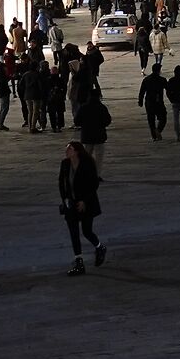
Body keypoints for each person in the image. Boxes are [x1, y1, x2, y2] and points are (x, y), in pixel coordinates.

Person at [59, 141, 106, 274]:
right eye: (66, 148)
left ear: (77, 151)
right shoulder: (65, 164)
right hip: (71, 203)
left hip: (87, 203)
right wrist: (65, 199)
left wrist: (84, 200)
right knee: (74, 233)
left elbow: (93, 184)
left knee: (86, 231)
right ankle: (79, 262)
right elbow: (61, 183)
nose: (67, 151)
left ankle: (99, 247)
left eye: (70, 149)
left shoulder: (87, 163)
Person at [74, 84, 112, 166]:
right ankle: (97, 174)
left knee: (85, 157)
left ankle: (86, 174)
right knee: (99, 157)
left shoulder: (83, 107)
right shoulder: (102, 107)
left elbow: (77, 121)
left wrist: (84, 125)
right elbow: (108, 120)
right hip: (99, 135)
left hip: (86, 135)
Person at [139, 63, 169, 141]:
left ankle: (154, 136)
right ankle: (158, 131)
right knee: (163, 118)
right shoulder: (162, 80)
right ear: (159, 70)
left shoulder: (146, 79)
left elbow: (142, 91)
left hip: (149, 102)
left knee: (151, 120)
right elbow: (168, 90)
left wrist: (140, 101)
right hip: (158, 102)